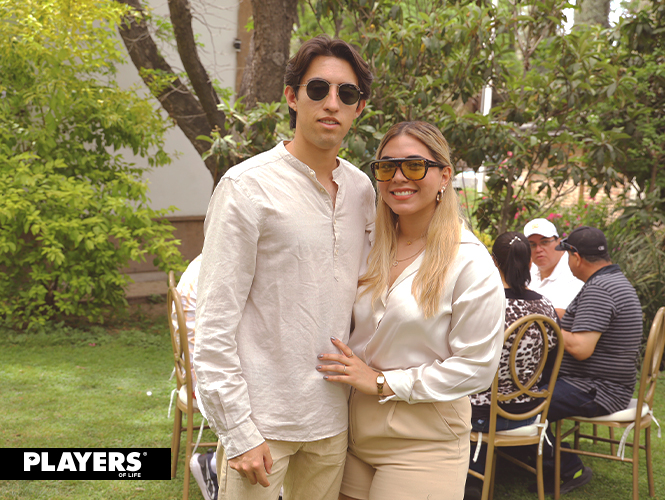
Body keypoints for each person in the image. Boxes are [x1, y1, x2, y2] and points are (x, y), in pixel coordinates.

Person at [193, 34, 375, 500]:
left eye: (346, 93)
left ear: (359, 108)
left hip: (331, 421)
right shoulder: (246, 186)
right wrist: (238, 430)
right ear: (293, 97)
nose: (331, 103)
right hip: (262, 423)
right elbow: (213, 323)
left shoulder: (361, 190)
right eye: (318, 89)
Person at [316, 121, 506, 500]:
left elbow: (477, 368)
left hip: (424, 444)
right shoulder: (368, 244)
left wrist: (382, 382)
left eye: (415, 165)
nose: (399, 177)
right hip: (350, 435)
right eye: (387, 167)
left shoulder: (469, 262)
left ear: (444, 176)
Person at [531, 225, 643, 495]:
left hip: (598, 389)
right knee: (525, 393)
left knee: (522, 407)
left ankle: (568, 468)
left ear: (576, 257)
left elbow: (581, 348)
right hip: (601, 382)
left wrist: (542, 321)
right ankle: (533, 459)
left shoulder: (600, 289)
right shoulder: (612, 281)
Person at [464, 231, 559, 500]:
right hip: (529, 413)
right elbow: (550, 365)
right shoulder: (546, 307)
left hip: (481, 415)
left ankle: (469, 476)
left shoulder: (481, 304)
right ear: (529, 262)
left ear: (493, 262)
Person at [524, 218, 584, 318]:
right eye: (532, 245)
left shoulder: (573, 271)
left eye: (545, 242)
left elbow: (562, 315)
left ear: (559, 242)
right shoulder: (529, 270)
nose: (538, 249)